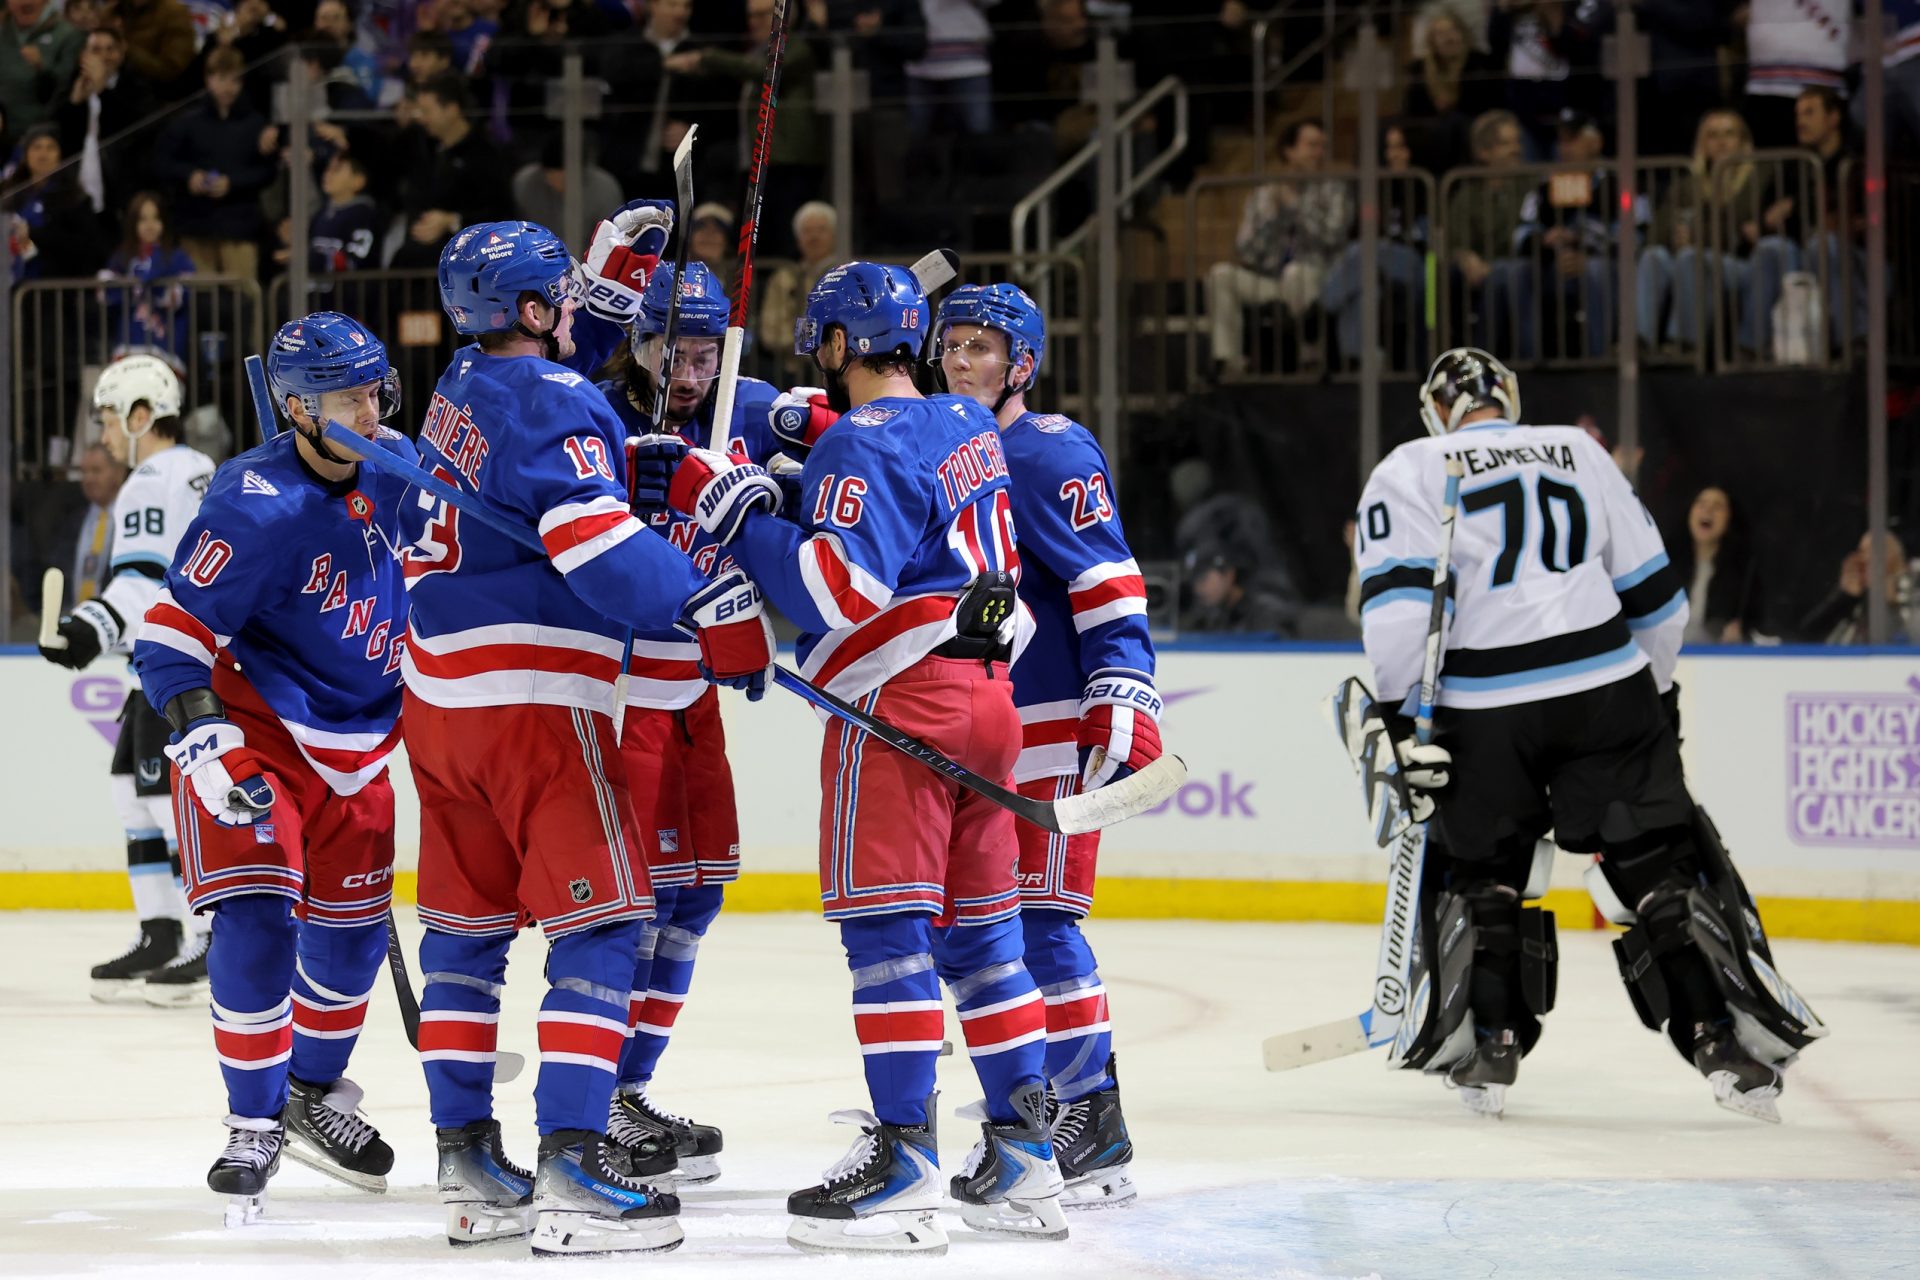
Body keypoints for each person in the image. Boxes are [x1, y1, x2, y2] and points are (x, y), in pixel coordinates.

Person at [665, 261, 1068, 1255]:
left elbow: (835, 590)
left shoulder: (860, 438)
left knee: (888, 934)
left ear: (839, 345)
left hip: (902, 702)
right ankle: (1025, 1159)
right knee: (985, 938)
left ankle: (906, 1160)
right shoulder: (967, 423)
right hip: (991, 702)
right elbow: (906, 499)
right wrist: (803, 462)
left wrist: (748, 521)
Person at [398, 211, 773, 1255]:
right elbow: (599, 548)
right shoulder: (555, 395)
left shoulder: (462, 385)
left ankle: (466, 1157)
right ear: (527, 309)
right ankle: (574, 1164)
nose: (576, 309)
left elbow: (553, 450)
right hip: (532, 697)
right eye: (559, 294)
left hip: (440, 703)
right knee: (606, 925)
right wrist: (714, 603)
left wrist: (605, 296)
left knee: (466, 940)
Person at [1352, 347, 1825, 1122]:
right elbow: (1659, 601)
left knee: (1487, 873)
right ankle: (1723, 1046)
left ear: (1437, 408)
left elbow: (1398, 619)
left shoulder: (1410, 464)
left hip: (1481, 704)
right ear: (1509, 398)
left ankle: (1491, 1049)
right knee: (1651, 864)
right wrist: (1658, 697)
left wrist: (1405, 720)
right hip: (1605, 685)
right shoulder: (1578, 449)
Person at [132, 313, 413, 1216]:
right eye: (347, 397)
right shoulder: (251, 502)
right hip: (257, 729)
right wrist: (202, 732)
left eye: (375, 390)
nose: (369, 412)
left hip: (362, 739)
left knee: (352, 942)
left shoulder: (406, 470)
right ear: (295, 407)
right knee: (256, 919)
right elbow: (171, 634)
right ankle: (252, 1120)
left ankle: (310, 1093)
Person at [929, 282, 1153, 1208]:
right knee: (979, 927)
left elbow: (1106, 575)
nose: (961, 362)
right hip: (983, 719)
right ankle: (1040, 1098)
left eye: (982, 348)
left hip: (1053, 720)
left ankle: (1089, 1114)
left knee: (1040, 922)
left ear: (1023, 362)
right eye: (951, 345)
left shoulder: (1046, 446)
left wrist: (1123, 686)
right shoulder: (956, 446)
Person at [589, 260, 787, 1186]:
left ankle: (630, 1089)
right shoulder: (603, 416)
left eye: (712, 353)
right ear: (642, 342)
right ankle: (594, 1107)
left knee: (696, 894)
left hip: (696, 692)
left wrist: (810, 433)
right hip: (626, 689)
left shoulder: (738, 410)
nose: (697, 372)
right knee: (633, 905)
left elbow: (823, 437)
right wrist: (635, 479)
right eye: (680, 351)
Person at [39, 354, 213, 1005]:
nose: (105, 433)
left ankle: (205, 936)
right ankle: (164, 931)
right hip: (174, 662)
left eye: (110, 418)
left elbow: (143, 583)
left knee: (165, 805)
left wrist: (85, 630)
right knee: (131, 793)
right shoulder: (196, 471)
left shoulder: (152, 477)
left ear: (143, 415)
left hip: (172, 665)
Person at [1206, 119, 1351, 379]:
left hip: (1319, 278)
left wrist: (1296, 206)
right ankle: (1229, 361)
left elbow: (1333, 237)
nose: (1319, 153)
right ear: (1289, 151)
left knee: (1297, 273)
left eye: (1322, 147)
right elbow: (1247, 251)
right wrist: (1271, 218)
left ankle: (1309, 356)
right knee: (1221, 275)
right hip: (1272, 279)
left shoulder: (1334, 190)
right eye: (1312, 145)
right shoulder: (1264, 194)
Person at [148, 46, 275, 281]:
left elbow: (268, 171)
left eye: (234, 80)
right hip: (195, 226)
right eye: (220, 78)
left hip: (239, 228)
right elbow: (161, 162)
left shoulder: (256, 124)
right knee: (198, 301)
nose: (227, 87)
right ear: (208, 79)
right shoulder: (187, 122)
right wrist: (189, 176)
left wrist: (232, 183)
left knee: (244, 298)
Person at [99, 190, 195, 359]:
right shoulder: (122, 256)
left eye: (156, 218)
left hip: (167, 347)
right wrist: (136, 287)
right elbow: (105, 291)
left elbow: (180, 295)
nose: (150, 225)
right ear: (133, 223)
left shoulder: (177, 257)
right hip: (128, 345)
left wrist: (149, 282)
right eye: (143, 219)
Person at [1667, 485, 1767, 645]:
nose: (1708, 511)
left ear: (1729, 518)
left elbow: (1758, 622)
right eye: (1701, 504)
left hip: (1718, 661)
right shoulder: (1666, 565)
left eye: (1717, 506)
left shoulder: (1744, 573)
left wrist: (1741, 632)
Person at [1797, 530, 1920, 643]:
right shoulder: (1858, 604)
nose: (1864, 559)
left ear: (1897, 562)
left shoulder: (1913, 596)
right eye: (1862, 552)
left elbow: (1908, 643)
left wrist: (1891, 600)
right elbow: (1804, 640)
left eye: (1875, 553)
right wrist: (1845, 596)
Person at [70, 442, 122, 605]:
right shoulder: (72, 519)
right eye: (84, 472)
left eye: (96, 471)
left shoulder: (129, 518)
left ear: (118, 473)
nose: (88, 479)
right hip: (71, 618)